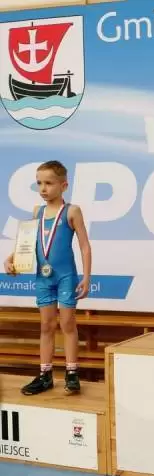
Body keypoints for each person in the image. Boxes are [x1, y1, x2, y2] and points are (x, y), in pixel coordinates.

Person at [3, 161, 92, 395]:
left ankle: (72, 373)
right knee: (46, 325)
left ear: (64, 186)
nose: (43, 188)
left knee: (68, 323)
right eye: (39, 183)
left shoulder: (72, 211)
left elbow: (84, 246)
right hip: (43, 278)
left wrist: (86, 277)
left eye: (49, 183)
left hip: (65, 277)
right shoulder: (38, 212)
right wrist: (11, 259)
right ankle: (45, 375)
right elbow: (27, 242)